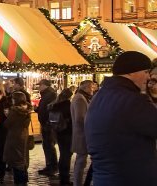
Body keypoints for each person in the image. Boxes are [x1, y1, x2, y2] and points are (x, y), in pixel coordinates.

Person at [85, 50, 157, 185]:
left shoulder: (100, 96)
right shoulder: (132, 100)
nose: (148, 78)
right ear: (131, 72)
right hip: (129, 178)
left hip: (105, 177)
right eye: (146, 72)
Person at [1, 90, 32, 185]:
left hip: (14, 137)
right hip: (23, 135)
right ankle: (24, 180)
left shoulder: (15, 111)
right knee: (22, 159)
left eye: (13, 99)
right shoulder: (27, 110)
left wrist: (6, 115)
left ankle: (19, 182)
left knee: (16, 161)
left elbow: (7, 124)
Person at [70, 80, 95, 186]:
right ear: (85, 88)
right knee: (81, 161)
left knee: (82, 160)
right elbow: (80, 118)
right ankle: (78, 183)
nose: (92, 90)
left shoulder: (82, 97)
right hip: (82, 134)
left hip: (83, 133)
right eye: (91, 87)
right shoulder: (80, 98)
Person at [51, 86, 75, 186]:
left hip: (58, 132)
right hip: (67, 132)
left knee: (63, 154)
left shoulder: (55, 105)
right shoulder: (69, 105)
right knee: (66, 155)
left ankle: (62, 175)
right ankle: (65, 178)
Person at [35, 79, 58, 177]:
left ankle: (52, 166)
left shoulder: (50, 95)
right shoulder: (46, 94)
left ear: (45, 85)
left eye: (40, 85)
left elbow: (50, 109)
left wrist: (48, 122)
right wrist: (38, 109)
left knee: (49, 145)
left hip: (48, 125)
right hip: (45, 124)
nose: (38, 87)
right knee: (47, 145)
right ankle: (49, 165)